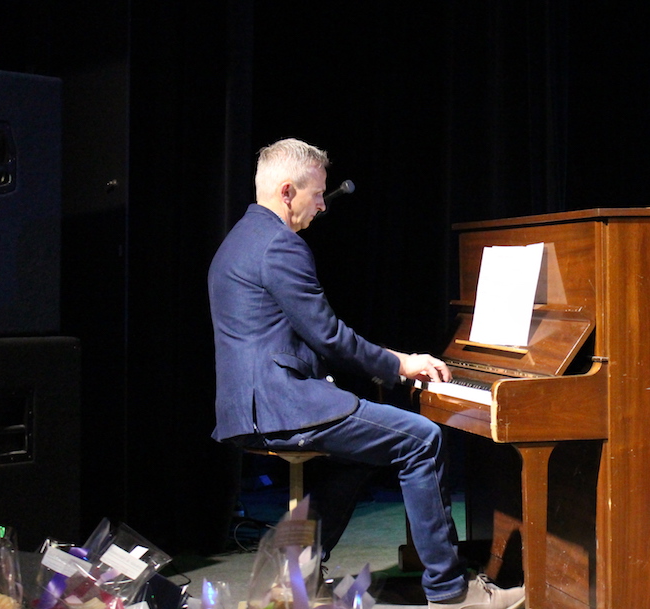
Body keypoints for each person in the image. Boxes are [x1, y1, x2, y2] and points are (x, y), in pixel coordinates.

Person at [208, 138, 525, 609]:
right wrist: (401, 363)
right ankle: (451, 592)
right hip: (282, 404)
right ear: (288, 191)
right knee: (422, 440)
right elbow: (329, 336)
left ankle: (295, 576)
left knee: (358, 457)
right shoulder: (280, 246)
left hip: (249, 408)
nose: (322, 205)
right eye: (318, 194)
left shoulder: (238, 240)